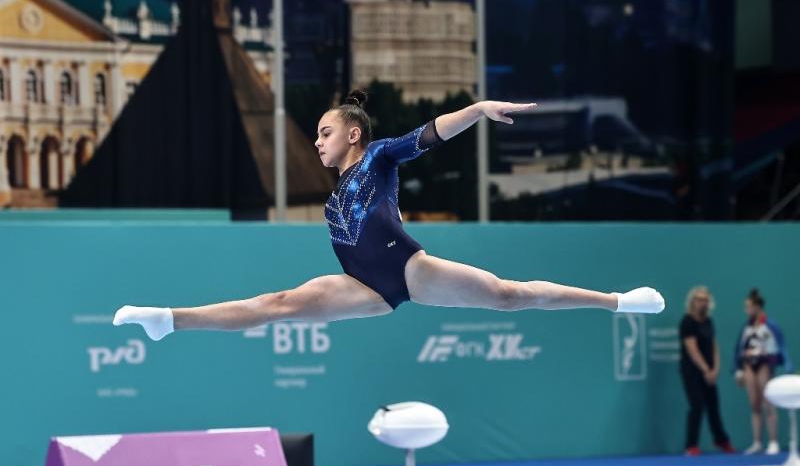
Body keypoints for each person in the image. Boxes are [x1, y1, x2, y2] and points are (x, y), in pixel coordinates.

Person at [113, 90, 665, 341]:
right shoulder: (333, 197)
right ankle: (169, 319)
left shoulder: (378, 156)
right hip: (362, 287)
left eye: (325, 132)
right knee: (276, 305)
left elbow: (429, 134)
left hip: (407, 268)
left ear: (353, 134)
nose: (317, 142)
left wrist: (476, 110)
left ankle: (617, 302)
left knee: (508, 295)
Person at [734, 288, 792, 455]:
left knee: (768, 402)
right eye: (745, 307)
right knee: (754, 403)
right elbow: (739, 349)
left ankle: (773, 441)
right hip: (749, 365)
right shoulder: (746, 327)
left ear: (757, 306)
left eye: (749, 306)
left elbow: (782, 347)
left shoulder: (770, 326)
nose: (746, 310)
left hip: (765, 364)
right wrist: (738, 370)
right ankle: (757, 442)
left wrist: (787, 366)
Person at [679, 286, 734, 456]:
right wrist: (705, 369)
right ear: (692, 302)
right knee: (697, 405)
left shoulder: (709, 321)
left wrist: (715, 368)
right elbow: (692, 349)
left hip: (710, 371)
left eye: (705, 300)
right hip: (692, 372)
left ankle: (721, 440)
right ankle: (691, 445)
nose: (703, 303)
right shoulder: (687, 322)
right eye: (699, 299)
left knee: (713, 406)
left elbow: (714, 346)